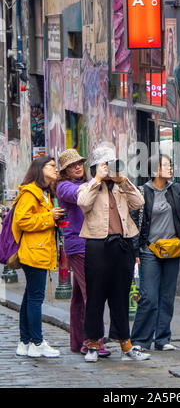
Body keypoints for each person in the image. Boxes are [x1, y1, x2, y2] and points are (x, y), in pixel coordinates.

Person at [77, 145, 150, 363]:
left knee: (120, 297)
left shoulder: (121, 187)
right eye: (105, 165)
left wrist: (124, 181)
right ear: (95, 168)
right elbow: (83, 204)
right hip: (97, 246)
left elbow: (139, 202)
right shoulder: (87, 187)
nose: (110, 169)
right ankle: (92, 344)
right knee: (96, 296)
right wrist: (97, 180)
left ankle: (126, 345)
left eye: (112, 164)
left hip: (123, 245)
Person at [131, 153, 180, 351]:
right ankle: (140, 341)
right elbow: (133, 224)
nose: (170, 168)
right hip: (149, 250)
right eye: (166, 165)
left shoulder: (178, 190)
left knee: (167, 296)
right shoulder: (142, 192)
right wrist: (136, 252)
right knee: (148, 296)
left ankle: (163, 339)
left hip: (173, 249)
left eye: (170, 164)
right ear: (155, 170)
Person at [56, 149, 110, 357]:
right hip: (79, 245)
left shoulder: (86, 184)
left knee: (79, 296)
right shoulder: (64, 187)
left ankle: (78, 340)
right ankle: (93, 342)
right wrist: (98, 179)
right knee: (92, 294)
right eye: (72, 165)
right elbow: (78, 196)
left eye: (79, 163)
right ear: (64, 171)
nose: (77, 167)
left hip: (91, 243)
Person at [12, 155, 65, 358]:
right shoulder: (30, 192)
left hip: (40, 249)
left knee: (29, 297)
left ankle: (24, 342)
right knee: (36, 298)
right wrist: (49, 217)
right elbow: (22, 220)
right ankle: (36, 341)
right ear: (39, 169)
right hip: (34, 251)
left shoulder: (44, 193)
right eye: (51, 166)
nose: (55, 170)